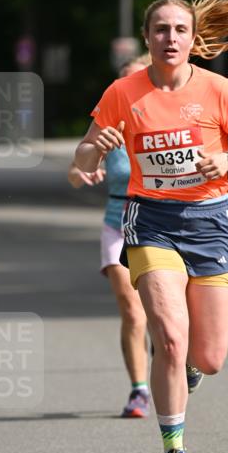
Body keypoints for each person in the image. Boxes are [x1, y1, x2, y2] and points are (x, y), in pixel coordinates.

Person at [73, 0, 228, 453]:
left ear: (192, 38)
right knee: (168, 334)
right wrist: (96, 147)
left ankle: (187, 370)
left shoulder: (216, 90)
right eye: (161, 29)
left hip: (211, 222)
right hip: (151, 221)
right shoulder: (124, 93)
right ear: (147, 37)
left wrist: (227, 159)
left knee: (208, 357)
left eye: (180, 29)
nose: (170, 37)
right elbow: (82, 158)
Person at [67, 56, 152, 418]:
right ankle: (139, 390)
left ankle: (178, 362)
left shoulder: (167, 124)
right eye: (122, 84)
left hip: (160, 225)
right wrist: (82, 174)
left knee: (167, 314)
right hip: (118, 223)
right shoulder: (109, 127)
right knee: (133, 312)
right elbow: (76, 168)